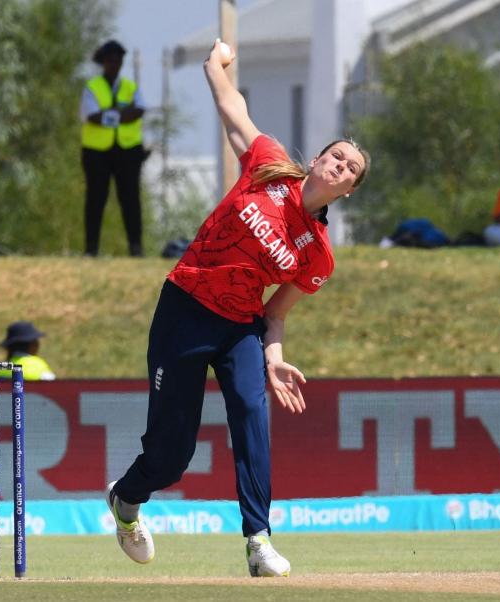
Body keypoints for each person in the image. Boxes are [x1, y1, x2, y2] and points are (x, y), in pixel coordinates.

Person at [105, 39, 370, 577]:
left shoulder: (318, 256)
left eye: (351, 169)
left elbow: (276, 314)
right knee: (171, 456)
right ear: (317, 159)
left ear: (347, 191)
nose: (340, 166)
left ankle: (258, 540)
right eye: (336, 155)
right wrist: (214, 66)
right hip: (185, 307)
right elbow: (233, 110)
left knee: (251, 415)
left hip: (239, 328)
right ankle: (127, 499)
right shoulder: (270, 165)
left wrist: (273, 357)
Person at [81, 40, 147, 257]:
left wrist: (108, 114)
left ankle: (135, 248)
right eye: (110, 59)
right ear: (104, 61)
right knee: (95, 199)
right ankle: (91, 249)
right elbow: (91, 116)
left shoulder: (130, 87)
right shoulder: (92, 87)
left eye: (118, 59)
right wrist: (121, 115)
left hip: (127, 150)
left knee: (130, 200)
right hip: (97, 152)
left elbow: (138, 111)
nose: (115, 63)